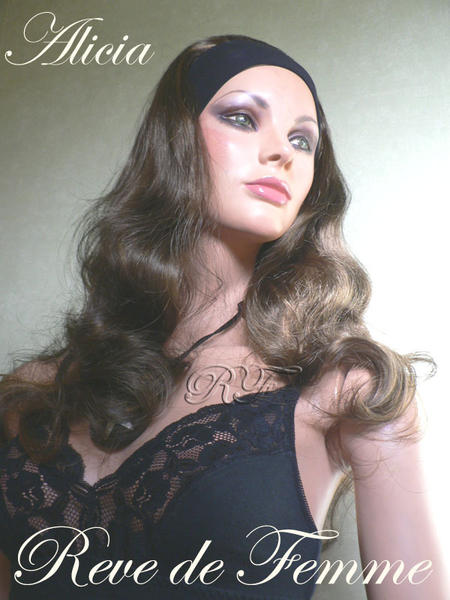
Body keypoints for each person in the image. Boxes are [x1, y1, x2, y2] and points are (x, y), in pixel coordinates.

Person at [0, 35, 446, 599]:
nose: (282, 152)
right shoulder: (33, 395)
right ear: (174, 140)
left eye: (303, 140)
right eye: (241, 118)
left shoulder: (346, 388)